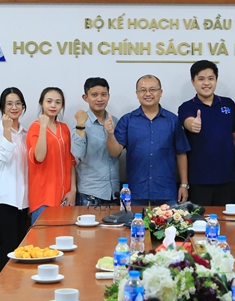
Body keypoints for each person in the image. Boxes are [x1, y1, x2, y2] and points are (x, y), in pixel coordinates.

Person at [108, 75, 190, 206]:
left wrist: (184, 185)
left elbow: (181, 153)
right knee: (135, 220)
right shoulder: (127, 120)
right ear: (137, 94)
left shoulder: (172, 120)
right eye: (143, 90)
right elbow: (114, 152)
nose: (148, 94)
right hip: (136, 192)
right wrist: (110, 134)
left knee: (170, 220)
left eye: (152, 89)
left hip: (166, 192)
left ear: (160, 92)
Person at [179, 60, 235, 206]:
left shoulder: (228, 104)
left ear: (216, 80)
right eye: (201, 79)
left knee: (227, 219)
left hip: (228, 178)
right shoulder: (187, 107)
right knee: (200, 218)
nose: (206, 83)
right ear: (193, 81)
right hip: (199, 180)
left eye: (210, 78)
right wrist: (193, 124)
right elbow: (188, 121)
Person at [0, 87, 29, 280]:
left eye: (18, 103)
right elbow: (4, 157)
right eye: (9, 103)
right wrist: (7, 130)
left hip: (24, 200)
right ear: (2, 107)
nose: (14, 107)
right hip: (6, 198)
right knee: (7, 244)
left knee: (21, 247)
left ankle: (16, 288)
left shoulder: (25, 133)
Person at [27, 87, 75, 224]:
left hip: (65, 197)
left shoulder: (64, 128)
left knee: (64, 236)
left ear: (62, 106)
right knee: (43, 237)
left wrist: (73, 190)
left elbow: (71, 161)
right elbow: (39, 157)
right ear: (41, 103)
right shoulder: (35, 127)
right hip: (43, 198)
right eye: (49, 101)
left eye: (58, 102)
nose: (53, 105)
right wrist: (43, 126)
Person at [71, 77, 120, 206]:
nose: (99, 99)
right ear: (85, 97)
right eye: (94, 95)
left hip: (114, 193)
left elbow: (117, 153)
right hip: (90, 194)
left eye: (103, 94)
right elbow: (77, 154)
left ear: (108, 96)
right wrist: (80, 125)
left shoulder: (115, 121)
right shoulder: (81, 122)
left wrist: (110, 133)